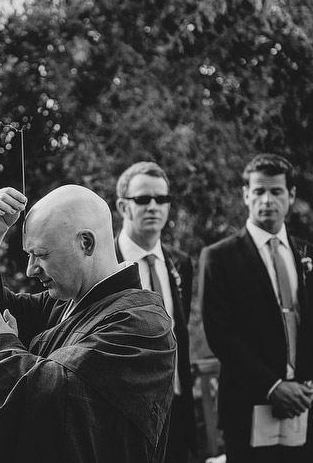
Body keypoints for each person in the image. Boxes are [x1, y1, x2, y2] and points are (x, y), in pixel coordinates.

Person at [0, 185, 176, 463]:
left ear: (86, 243)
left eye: (41, 255)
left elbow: (57, 396)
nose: (31, 269)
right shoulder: (62, 304)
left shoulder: (143, 323)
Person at [200, 154, 313, 463]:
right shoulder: (219, 257)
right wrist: (273, 387)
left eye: (276, 191)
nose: (267, 199)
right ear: (245, 195)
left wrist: (312, 387)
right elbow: (221, 334)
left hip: (306, 405)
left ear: (290, 195)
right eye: (259, 191)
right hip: (248, 405)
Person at [114, 161, 197, 463]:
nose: (154, 206)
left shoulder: (181, 263)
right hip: (125, 415)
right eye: (143, 199)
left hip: (176, 409)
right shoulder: (106, 264)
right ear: (123, 206)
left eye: (161, 199)